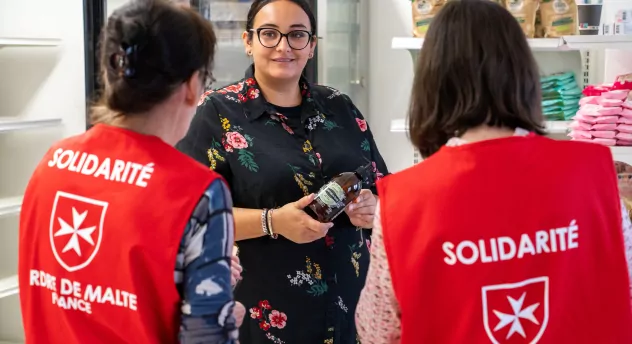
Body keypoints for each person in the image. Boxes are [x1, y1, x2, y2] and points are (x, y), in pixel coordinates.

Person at [355, 1, 632, 344]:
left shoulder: (403, 201)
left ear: (432, 83)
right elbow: (626, 288)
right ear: (523, 74)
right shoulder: (594, 173)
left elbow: (378, 331)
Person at [18, 1, 245, 343]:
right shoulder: (198, 192)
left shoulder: (53, 162)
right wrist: (223, 313)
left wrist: (198, 277)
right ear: (192, 85)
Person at [176, 0, 388, 342]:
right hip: (267, 318)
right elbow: (187, 217)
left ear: (312, 46)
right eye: (269, 34)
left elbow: (383, 186)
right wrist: (271, 221)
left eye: (297, 35)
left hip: (350, 314)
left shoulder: (340, 106)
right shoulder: (215, 113)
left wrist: (373, 209)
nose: (284, 46)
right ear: (249, 41)